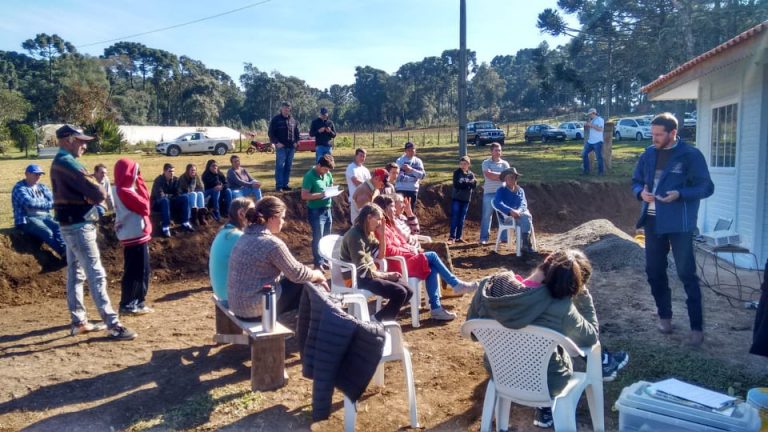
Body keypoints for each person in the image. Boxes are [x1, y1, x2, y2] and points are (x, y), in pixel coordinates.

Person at [467, 250, 629, 428]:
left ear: (546, 259)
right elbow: (590, 338)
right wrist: (582, 295)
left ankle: (540, 411)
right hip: (548, 381)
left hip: (500, 374)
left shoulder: (488, 286)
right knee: (561, 350)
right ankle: (603, 365)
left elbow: (473, 333)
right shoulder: (559, 306)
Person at [631, 112, 714, 347]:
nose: (654, 138)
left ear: (673, 133)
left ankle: (696, 327)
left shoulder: (690, 155)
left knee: (686, 273)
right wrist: (640, 193)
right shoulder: (648, 154)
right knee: (654, 271)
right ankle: (664, 316)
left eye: (659, 134)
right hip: (653, 222)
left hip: (680, 224)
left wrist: (680, 194)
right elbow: (635, 180)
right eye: (653, 133)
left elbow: (706, 187)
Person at [50, 124, 135, 340]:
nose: (85, 146)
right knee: (95, 274)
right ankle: (113, 324)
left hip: (69, 225)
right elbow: (99, 193)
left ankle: (79, 321)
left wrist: (92, 196)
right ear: (68, 139)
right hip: (79, 225)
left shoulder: (60, 162)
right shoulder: (69, 163)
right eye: (81, 141)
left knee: (76, 274)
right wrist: (95, 195)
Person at [375, 195, 478, 321]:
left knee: (431, 267)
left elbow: (402, 241)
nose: (394, 209)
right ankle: (455, 284)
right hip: (397, 265)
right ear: (384, 209)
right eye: (391, 206)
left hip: (405, 259)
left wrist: (412, 249)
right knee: (432, 256)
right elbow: (388, 251)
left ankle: (436, 308)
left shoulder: (390, 224)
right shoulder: (381, 228)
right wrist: (410, 250)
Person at [228, 196, 328, 320]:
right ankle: (305, 329)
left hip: (237, 306)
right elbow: (297, 273)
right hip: (255, 310)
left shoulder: (245, 236)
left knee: (302, 279)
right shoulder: (272, 244)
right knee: (308, 284)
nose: (283, 222)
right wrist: (317, 274)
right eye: (282, 218)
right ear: (272, 218)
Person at [339, 203, 412, 322]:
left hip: (369, 275)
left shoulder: (368, 233)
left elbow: (381, 255)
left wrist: (382, 235)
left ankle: (377, 319)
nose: (379, 223)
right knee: (400, 292)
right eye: (378, 219)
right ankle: (381, 321)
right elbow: (362, 270)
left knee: (408, 291)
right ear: (368, 218)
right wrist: (387, 275)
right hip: (356, 278)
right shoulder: (355, 236)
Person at [112, 158, 153, 315]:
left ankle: (138, 301)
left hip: (132, 234)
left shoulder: (118, 188)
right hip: (134, 235)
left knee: (142, 269)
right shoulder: (125, 190)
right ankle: (128, 303)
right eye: (135, 171)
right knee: (135, 271)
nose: (136, 174)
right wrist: (140, 180)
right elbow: (145, 206)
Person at [12, 164, 67, 257]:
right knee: (47, 231)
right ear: (27, 174)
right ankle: (64, 254)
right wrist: (48, 204)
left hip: (44, 216)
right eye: (36, 174)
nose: (38, 176)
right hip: (27, 219)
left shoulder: (42, 187)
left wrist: (45, 204)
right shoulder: (19, 188)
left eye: (40, 174)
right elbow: (29, 203)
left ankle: (67, 251)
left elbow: (54, 200)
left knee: (58, 226)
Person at [209, 197, 254, 303]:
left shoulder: (225, 232)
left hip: (222, 293)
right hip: (231, 298)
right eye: (252, 212)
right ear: (241, 213)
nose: (256, 216)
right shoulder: (237, 236)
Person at [302, 154, 335, 270]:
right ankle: (318, 262)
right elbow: (304, 195)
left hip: (327, 208)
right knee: (318, 236)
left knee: (327, 236)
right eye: (325, 169)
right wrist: (321, 195)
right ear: (319, 165)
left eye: (328, 170)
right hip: (316, 211)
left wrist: (332, 191)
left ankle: (326, 259)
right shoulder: (309, 176)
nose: (326, 172)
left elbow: (330, 186)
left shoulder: (328, 174)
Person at [493, 167, 535, 253]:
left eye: (513, 177)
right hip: (507, 217)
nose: (511, 179)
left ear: (516, 178)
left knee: (525, 216)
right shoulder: (501, 190)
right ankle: (526, 244)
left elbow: (523, 204)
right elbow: (498, 203)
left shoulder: (520, 190)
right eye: (508, 177)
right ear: (505, 179)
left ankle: (524, 245)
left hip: (520, 215)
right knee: (526, 217)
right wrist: (510, 211)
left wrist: (518, 211)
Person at [150, 163, 195, 237]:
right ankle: (165, 227)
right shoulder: (158, 180)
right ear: (164, 171)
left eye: (173, 171)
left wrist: (170, 196)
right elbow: (160, 195)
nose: (172, 173)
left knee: (185, 197)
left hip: (170, 201)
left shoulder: (175, 180)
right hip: (157, 203)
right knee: (165, 200)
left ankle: (185, 222)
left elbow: (178, 193)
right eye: (170, 171)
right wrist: (171, 196)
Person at [480, 142, 510, 245]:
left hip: (502, 194)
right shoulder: (486, 163)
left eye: (500, 150)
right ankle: (483, 238)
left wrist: (499, 175)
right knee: (486, 216)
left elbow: (508, 177)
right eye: (496, 150)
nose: (498, 152)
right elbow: (489, 175)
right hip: (489, 193)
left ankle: (504, 238)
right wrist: (502, 175)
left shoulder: (505, 164)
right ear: (491, 151)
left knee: (504, 215)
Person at [269, 101, 301, 191]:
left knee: (288, 166)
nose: (286, 110)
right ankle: (279, 186)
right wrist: (276, 142)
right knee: (280, 166)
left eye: (288, 108)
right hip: (281, 147)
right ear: (281, 109)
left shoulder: (293, 121)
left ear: (289, 109)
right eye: (284, 108)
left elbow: (297, 133)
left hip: (291, 147)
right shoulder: (276, 120)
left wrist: (296, 141)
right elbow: (271, 133)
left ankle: (285, 185)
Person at [449, 156, 477, 244]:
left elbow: (474, 185)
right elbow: (457, 185)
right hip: (457, 198)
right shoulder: (457, 173)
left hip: (466, 199)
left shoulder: (471, 174)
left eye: (465, 164)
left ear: (468, 164)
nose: (463, 165)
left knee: (461, 219)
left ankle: (458, 237)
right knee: (455, 217)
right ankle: (451, 237)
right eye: (461, 164)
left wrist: (466, 184)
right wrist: (468, 184)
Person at [395, 142, 426, 212]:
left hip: (413, 189)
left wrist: (412, 170)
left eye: (412, 150)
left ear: (415, 151)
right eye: (408, 150)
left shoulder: (418, 161)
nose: (411, 152)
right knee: (400, 211)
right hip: (401, 188)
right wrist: (413, 178)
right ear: (405, 151)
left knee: (411, 211)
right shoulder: (399, 161)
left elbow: (422, 175)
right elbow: (398, 176)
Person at [345, 148, 370, 223]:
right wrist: (369, 185)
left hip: (366, 200)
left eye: (364, 156)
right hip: (355, 199)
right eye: (361, 156)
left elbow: (371, 183)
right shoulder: (351, 168)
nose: (362, 158)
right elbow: (355, 181)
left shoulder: (365, 170)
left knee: (366, 222)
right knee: (356, 222)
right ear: (356, 156)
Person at [582, 108, 605, 175]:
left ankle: (601, 172)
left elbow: (601, 129)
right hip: (590, 141)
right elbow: (590, 128)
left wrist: (591, 125)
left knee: (599, 157)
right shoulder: (591, 120)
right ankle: (586, 171)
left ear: (594, 113)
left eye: (590, 114)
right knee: (584, 154)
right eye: (588, 114)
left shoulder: (600, 120)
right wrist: (586, 125)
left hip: (598, 141)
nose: (589, 115)